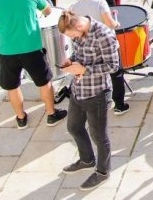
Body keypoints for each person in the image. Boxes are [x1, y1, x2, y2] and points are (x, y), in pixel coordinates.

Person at [0, 0, 67, 129]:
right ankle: (51, 113)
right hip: (32, 47)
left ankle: (21, 118)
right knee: (44, 82)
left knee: (13, 87)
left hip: (7, 51)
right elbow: (48, 11)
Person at [57, 10, 119, 190]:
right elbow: (79, 54)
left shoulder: (104, 35)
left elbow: (113, 66)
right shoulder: (79, 32)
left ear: (78, 26)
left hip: (97, 93)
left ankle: (103, 171)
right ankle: (87, 159)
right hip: (78, 90)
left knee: (99, 136)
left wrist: (84, 70)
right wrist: (71, 61)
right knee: (73, 127)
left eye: (72, 35)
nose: (73, 38)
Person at [71, 0, 129, 114]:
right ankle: (119, 104)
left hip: (88, 47)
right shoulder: (100, 2)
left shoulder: (75, 7)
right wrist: (116, 23)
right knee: (116, 72)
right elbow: (109, 24)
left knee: (94, 71)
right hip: (105, 44)